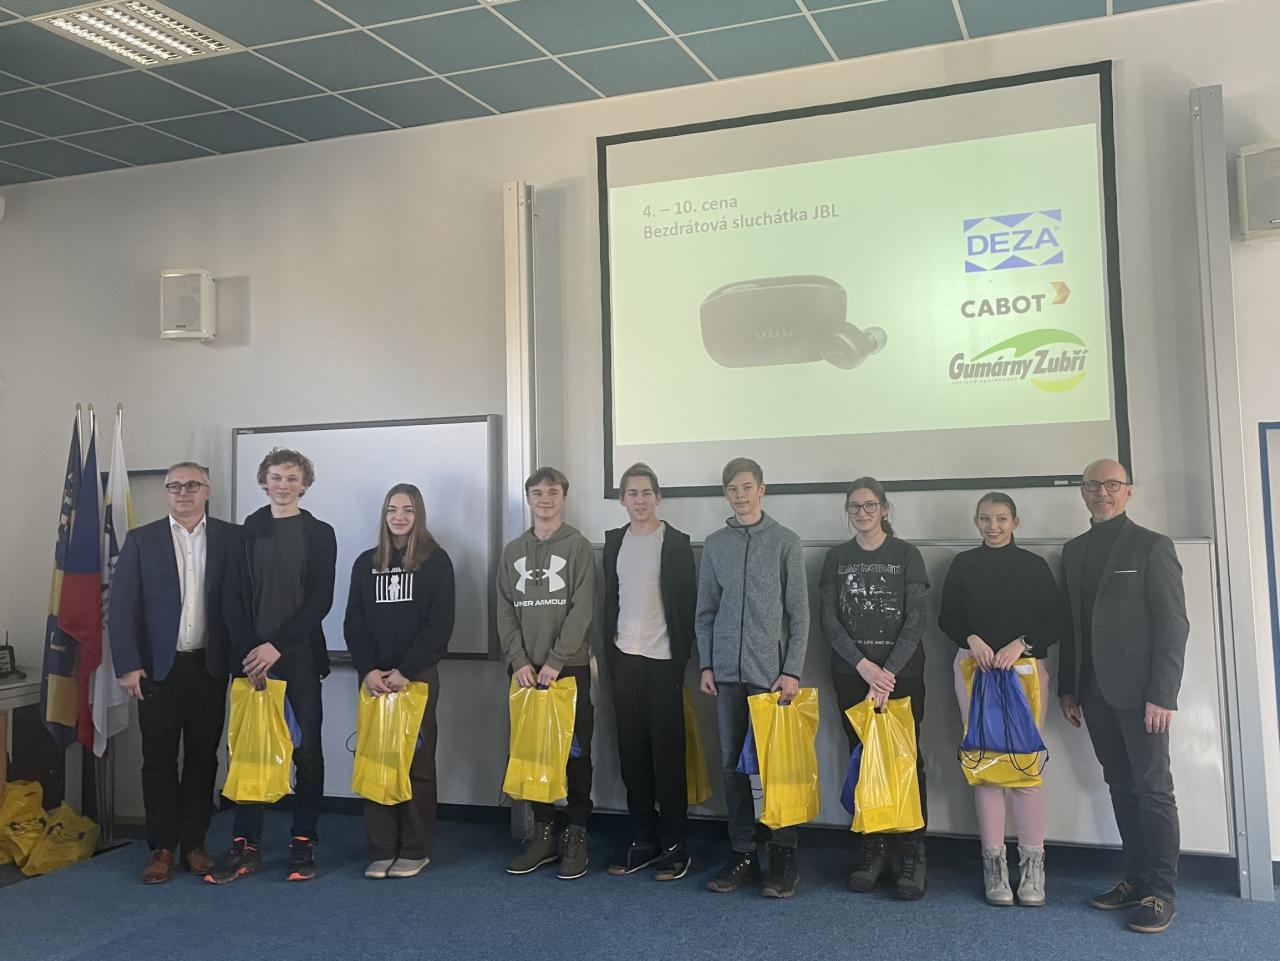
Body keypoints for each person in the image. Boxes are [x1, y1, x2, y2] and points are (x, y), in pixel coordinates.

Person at [1059, 459, 1188, 934]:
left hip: (1142, 695)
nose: (1102, 492)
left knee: (1154, 790)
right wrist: (1068, 687)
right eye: (1093, 485)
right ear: (1083, 492)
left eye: (1112, 485)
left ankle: (1161, 892)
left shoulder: (1152, 546)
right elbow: (1073, 625)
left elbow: (1174, 624)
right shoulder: (1073, 551)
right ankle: (1134, 880)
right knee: (1120, 784)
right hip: (1093, 693)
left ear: (1128, 491)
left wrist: (1163, 694)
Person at [206, 448, 337, 884]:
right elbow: (230, 598)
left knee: (308, 752)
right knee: (251, 752)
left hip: (299, 658)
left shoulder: (320, 533)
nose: (283, 485)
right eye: (276, 477)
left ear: (304, 484)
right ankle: (246, 845)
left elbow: (321, 600)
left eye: (292, 478)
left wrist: (276, 647)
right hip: (251, 661)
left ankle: (303, 841)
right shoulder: (245, 532)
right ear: (264, 481)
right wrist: (253, 652)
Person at [109, 462, 241, 883]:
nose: (183, 493)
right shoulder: (141, 540)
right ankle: (162, 848)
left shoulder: (231, 538)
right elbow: (122, 609)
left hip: (210, 667)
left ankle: (195, 845)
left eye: (192, 485)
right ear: (166, 493)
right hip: (156, 672)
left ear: (207, 490)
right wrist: (128, 665)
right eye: (174, 486)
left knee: (203, 759)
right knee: (159, 760)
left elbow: (242, 603)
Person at [938, 492, 1064, 907]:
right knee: (986, 766)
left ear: (1015, 522)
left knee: (1025, 768)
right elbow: (947, 617)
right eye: (985, 519)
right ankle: (993, 866)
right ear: (976, 522)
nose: (993, 527)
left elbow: (1056, 620)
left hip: (1025, 673)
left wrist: (1022, 643)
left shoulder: (1033, 566)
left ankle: (1032, 867)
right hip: (973, 672)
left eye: (1001, 519)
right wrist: (970, 638)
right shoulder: (963, 565)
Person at [697, 457, 809, 899]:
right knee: (732, 767)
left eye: (747, 487)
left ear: (761, 489)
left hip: (771, 677)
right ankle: (742, 852)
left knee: (774, 769)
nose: (740, 495)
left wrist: (791, 669)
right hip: (727, 674)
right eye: (732, 488)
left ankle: (783, 854)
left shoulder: (786, 542)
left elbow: (798, 614)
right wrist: (707, 663)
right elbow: (706, 611)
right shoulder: (715, 545)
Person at [819, 476, 929, 900]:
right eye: (854, 507)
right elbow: (829, 621)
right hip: (852, 676)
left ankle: (912, 853)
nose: (862, 513)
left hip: (902, 677)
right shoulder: (836, 558)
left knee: (907, 761)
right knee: (862, 760)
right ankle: (873, 849)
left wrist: (887, 673)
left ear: (884, 509)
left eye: (869, 506)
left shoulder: (907, 555)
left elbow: (916, 620)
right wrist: (865, 668)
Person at [344, 483, 455, 880]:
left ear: (418, 514)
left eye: (407, 509)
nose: (399, 517)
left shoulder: (436, 562)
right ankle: (381, 848)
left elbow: (440, 624)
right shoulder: (365, 563)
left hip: (415, 679)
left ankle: (414, 849)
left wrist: (406, 671)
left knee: (416, 764)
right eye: (392, 509)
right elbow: (354, 622)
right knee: (377, 761)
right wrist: (368, 670)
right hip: (375, 679)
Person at [497, 467, 596, 879]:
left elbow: (582, 608)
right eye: (537, 493)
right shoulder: (512, 551)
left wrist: (556, 660)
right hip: (526, 674)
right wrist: (520, 660)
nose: (545, 499)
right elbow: (505, 609)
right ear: (528, 498)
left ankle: (576, 833)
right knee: (534, 755)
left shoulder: (578, 547)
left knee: (575, 755)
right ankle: (543, 835)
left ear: (564, 497)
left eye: (552, 492)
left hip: (567, 671)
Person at [602, 463, 696, 881]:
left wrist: (679, 664)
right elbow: (612, 600)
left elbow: (687, 609)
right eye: (631, 493)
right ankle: (643, 839)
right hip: (624, 660)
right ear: (622, 500)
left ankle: (675, 845)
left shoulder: (675, 544)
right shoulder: (614, 542)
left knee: (668, 758)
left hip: (662, 664)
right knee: (632, 756)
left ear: (658, 497)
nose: (639, 500)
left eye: (645, 493)